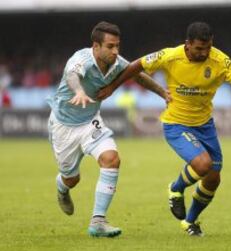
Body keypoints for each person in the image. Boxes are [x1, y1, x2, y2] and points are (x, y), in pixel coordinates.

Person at [97, 22, 231, 236]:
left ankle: (189, 221)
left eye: (208, 48)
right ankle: (176, 188)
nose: (204, 53)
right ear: (187, 44)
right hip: (176, 124)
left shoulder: (220, 60)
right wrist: (112, 86)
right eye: (199, 48)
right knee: (203, 165)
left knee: (213, 178)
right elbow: (136, 66)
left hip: (205, 126)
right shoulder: (170, 56)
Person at [47, 21, 169, 237]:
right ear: (96, 46)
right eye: (110, 46)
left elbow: (137, 75)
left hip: (90, 122)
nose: (115, 51)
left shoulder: (117, 63)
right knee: (72, 179)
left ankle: (98, 221)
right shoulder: (80, 59)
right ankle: (62, 186)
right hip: (64, 126)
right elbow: (72, 76)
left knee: (111, 158)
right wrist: (79, 91)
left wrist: (163, 93)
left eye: (117, 46)